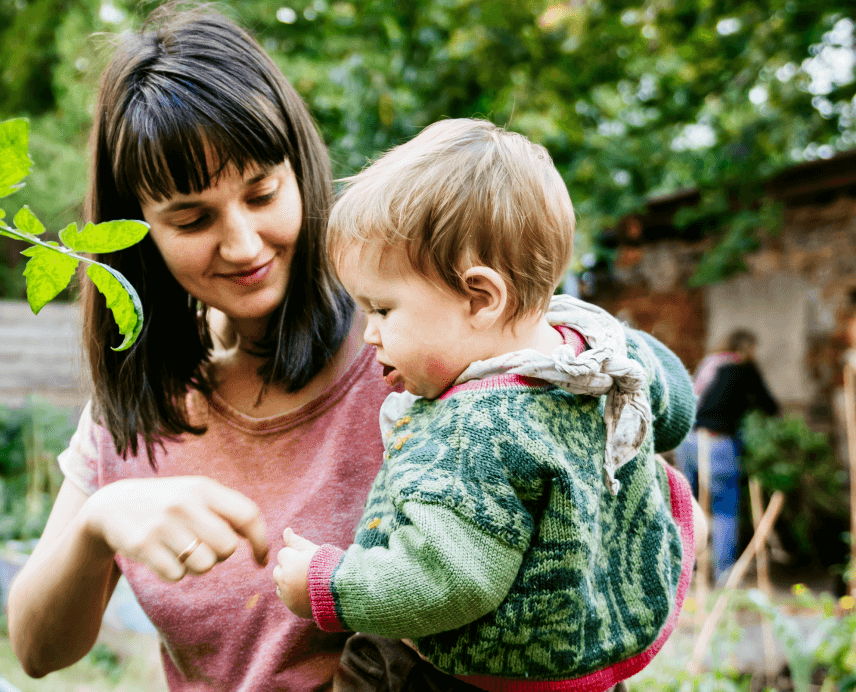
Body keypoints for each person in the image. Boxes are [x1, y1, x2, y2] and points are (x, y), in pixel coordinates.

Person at [4, 9, 695, 690]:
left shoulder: (431, 356)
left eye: (263, 193)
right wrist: (99, 523)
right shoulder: (137, 406)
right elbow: (36, 650)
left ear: (300, 170)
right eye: (192, 218)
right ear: (136, 231)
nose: (243, 244)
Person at [269, 119, 695, 692]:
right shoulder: (595, 353)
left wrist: (326, 584)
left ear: (481, 297)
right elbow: (675, 410)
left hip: (467, 676)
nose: (368, 334)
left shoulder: (476, 429)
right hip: (582, 654)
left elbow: (449, 581)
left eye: (383, 310)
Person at [676, 329, 778, 579]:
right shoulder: (745, 369)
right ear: (747, 348)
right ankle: (723, 575)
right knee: (724, 509)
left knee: (688, 506)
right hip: (718, 442)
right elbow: (770, 406)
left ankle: (686, 571)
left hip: (687, 440)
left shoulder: (710, 363)